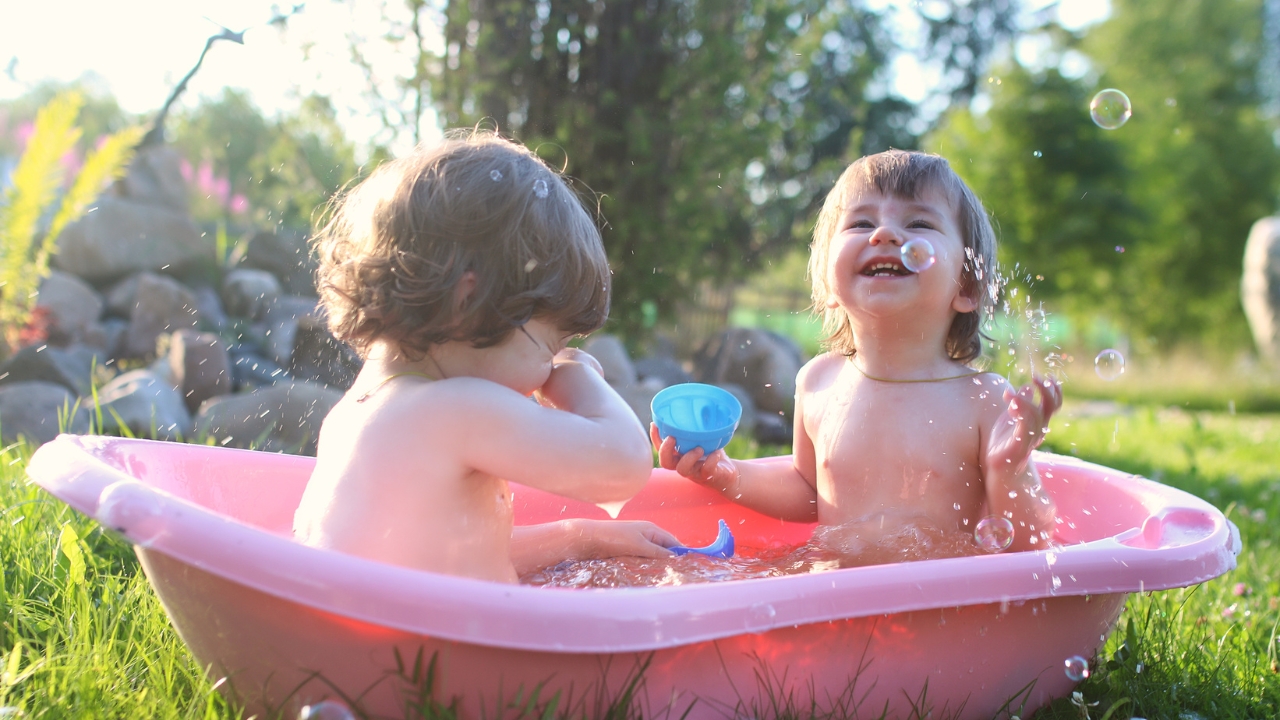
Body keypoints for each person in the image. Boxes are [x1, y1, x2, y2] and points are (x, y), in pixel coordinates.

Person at [294, 131, 677, 582]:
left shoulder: (355, 412)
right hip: (447, 652)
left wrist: (581, 537)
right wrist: (580, 379)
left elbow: (446, 556)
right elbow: (625, 465)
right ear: (469, 303)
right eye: (550, 347)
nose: (550, 369)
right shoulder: (455, 408)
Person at [653, 150, 1061, 562]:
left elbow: (1029, 551)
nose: (883, 234)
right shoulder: (818, 382)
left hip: (937, 611)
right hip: (835, 598)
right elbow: (808, 490)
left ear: (968, 286)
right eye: (862, 223)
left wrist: (1011, 467)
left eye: (918, 223)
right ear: (828, 283)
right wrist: (728, 475)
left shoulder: (984, 399)